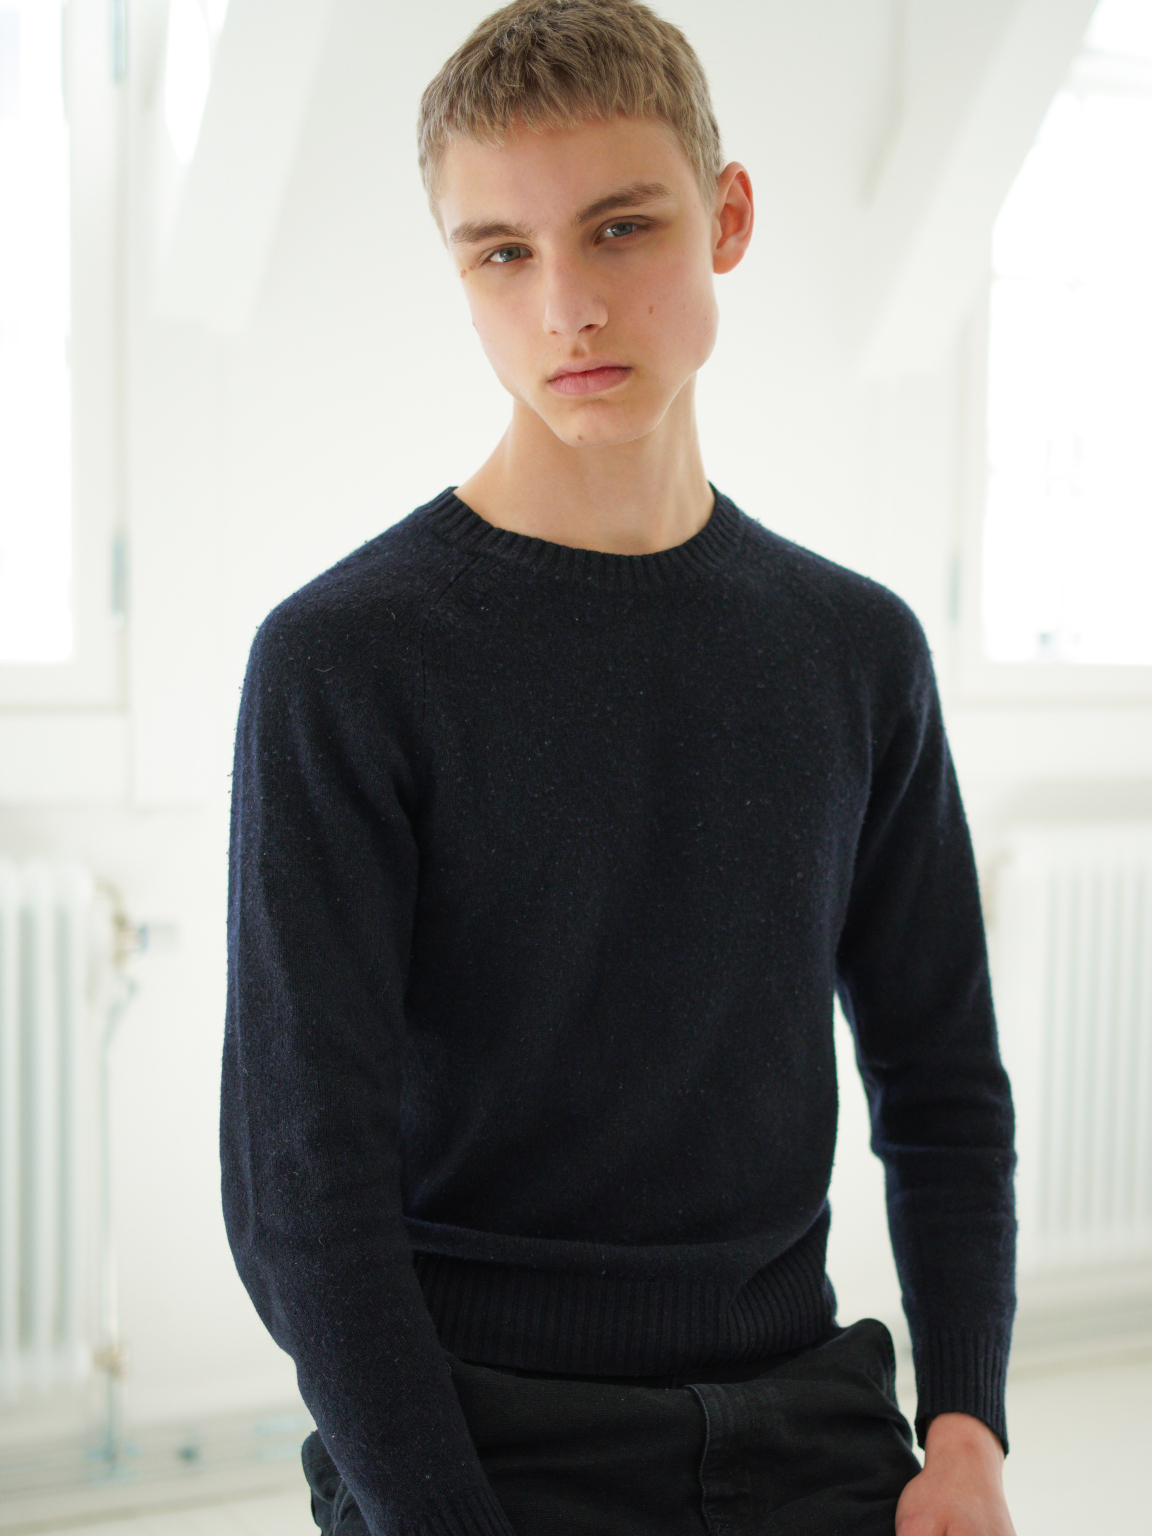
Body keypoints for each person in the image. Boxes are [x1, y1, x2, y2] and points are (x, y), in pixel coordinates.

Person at [219, 2, 1018, 1532]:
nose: (567, 306)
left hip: (811, 1420)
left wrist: (967, 1426)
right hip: (479, 1441)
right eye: (501, 253)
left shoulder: (856, 649)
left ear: (728, 219)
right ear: (458, 274)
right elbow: (302, 1196)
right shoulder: (343, 660)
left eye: (620, 228)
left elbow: (941, 1083)